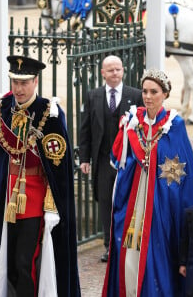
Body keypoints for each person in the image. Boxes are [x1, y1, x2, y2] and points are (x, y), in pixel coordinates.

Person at [0, 55, 81, 297]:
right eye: (15, 82)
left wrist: (51, 206)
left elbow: (58, 169)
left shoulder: (49, 114)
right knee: (5, 263)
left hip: (34, 200)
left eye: (24, 82)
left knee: (23, 262)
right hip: (2, 199)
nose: (18, 88)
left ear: (35, 82)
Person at [102, 68, 193, 296]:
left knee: (157, 250)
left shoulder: (175, 125)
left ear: (164, 94)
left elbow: (183, 171)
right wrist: (125, 130)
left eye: (154, 91)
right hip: (133, 199)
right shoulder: (132, 122)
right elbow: (117, 159)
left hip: (160, 202)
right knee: (128, 249)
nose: (147, 96)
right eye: (144, 91)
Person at [79, 55, 143, 262]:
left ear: (123, 71)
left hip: (128, 161)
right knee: (105, 202)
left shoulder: (136, 95)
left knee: (127, 201)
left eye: (118, 69)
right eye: (111, 70)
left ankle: (127, 243)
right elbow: (85, 129)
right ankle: (109, 246)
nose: (115, 73)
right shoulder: (93, 96)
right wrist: (85, 159)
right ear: (103, 73)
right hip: (103, 159)